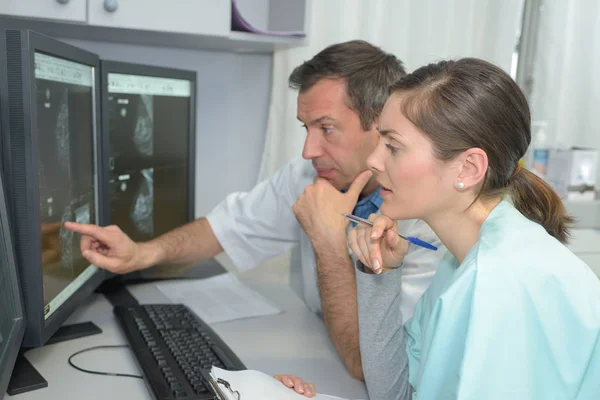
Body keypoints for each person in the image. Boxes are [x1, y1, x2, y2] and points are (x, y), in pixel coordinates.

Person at [64, 40, 444, 382]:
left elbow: (370, 366)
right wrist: (142, 253)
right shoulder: (309, 176)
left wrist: (328, 241)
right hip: (319, 348)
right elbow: (228, 226)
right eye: (305, 128)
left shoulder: (423, 221)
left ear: (380, 126)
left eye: (326, 128)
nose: (308, 151)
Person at [283, 58, 600, 399]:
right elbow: (397, 392)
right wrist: (380, 275)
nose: (374, 161)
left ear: (468, 168)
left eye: (392, 147)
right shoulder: (461, 258)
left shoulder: (497, 283)